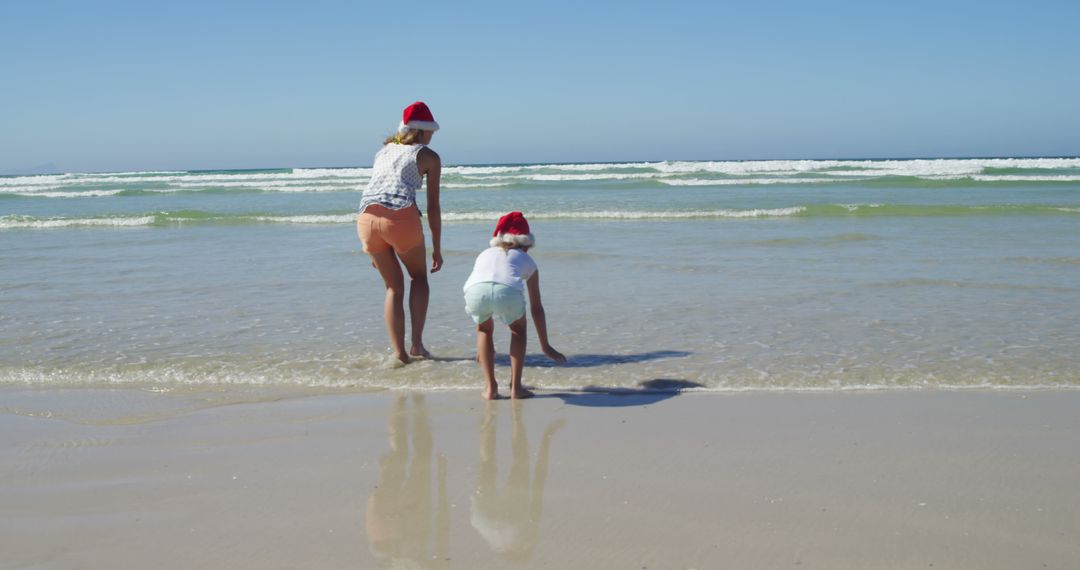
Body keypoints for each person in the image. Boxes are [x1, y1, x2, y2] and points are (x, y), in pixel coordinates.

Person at [357, 101, 443, 364]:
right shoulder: (428, 155)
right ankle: (416, 345)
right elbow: (432, 206)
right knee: (419, 279)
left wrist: (375, 247)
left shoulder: (383, 151)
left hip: (366, 219)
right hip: (401, 218)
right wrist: (437, 248)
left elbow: (380, 188)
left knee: (393, 287)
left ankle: (399, 354)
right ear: (424, 131)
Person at [463, 212, 566, 399]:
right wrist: (545, 345)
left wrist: (484, 350)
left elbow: (485, 282)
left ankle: (490, 388)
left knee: (484, 329)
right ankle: (516, 388)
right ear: (525, 243)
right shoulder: (527, 260)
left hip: (474, 291)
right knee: (518, 330)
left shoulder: (484, 253)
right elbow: (537, 308)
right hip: (507, 291)